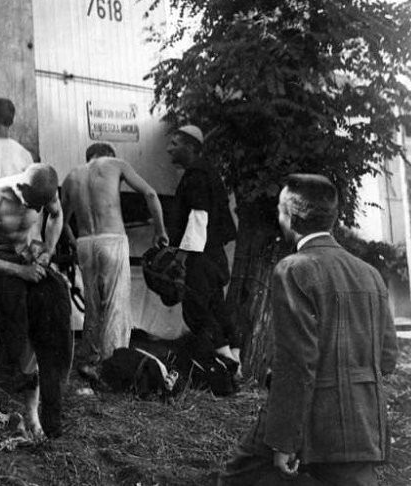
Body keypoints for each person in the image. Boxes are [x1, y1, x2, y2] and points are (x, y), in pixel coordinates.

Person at [218, 174, 397, 486]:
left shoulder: (294, 269)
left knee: (236, 479)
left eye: (279, 209)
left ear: (291, 217)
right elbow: (388, 358)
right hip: (363, 423)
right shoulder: (370, 274)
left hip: (309, 419)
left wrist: (284, 441)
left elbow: (295, 363)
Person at [0, 165, 72, 444]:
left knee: (39, 337)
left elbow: (57, 215)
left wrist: (48, 250)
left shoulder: (45, 192)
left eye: (41, 205)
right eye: (32, 204)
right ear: (21, 188)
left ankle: (33, 413)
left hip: (24, 266)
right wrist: (19, 272)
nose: (37, 210)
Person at [62, 143, 169, 369]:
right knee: (115, 303)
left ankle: (91, 358)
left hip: (85, 243)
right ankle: (114, 364)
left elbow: (60, 220)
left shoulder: (72, 176)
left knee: (92, 304)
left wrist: (73, 242)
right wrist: (160, 231)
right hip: (112, 239)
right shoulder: (116, 164)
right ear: (109, 155)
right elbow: (149, 192)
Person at [165, 125, 239, 361]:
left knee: (196, 309)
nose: (169, 149)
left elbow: (199, 216)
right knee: (217, 307)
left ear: (190, 146)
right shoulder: (207, 171)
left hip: (199, 256)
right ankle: (235, 360)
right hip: (213, 255)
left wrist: (183, 256)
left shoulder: (196, 174)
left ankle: (225, 363)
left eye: (174, 144)